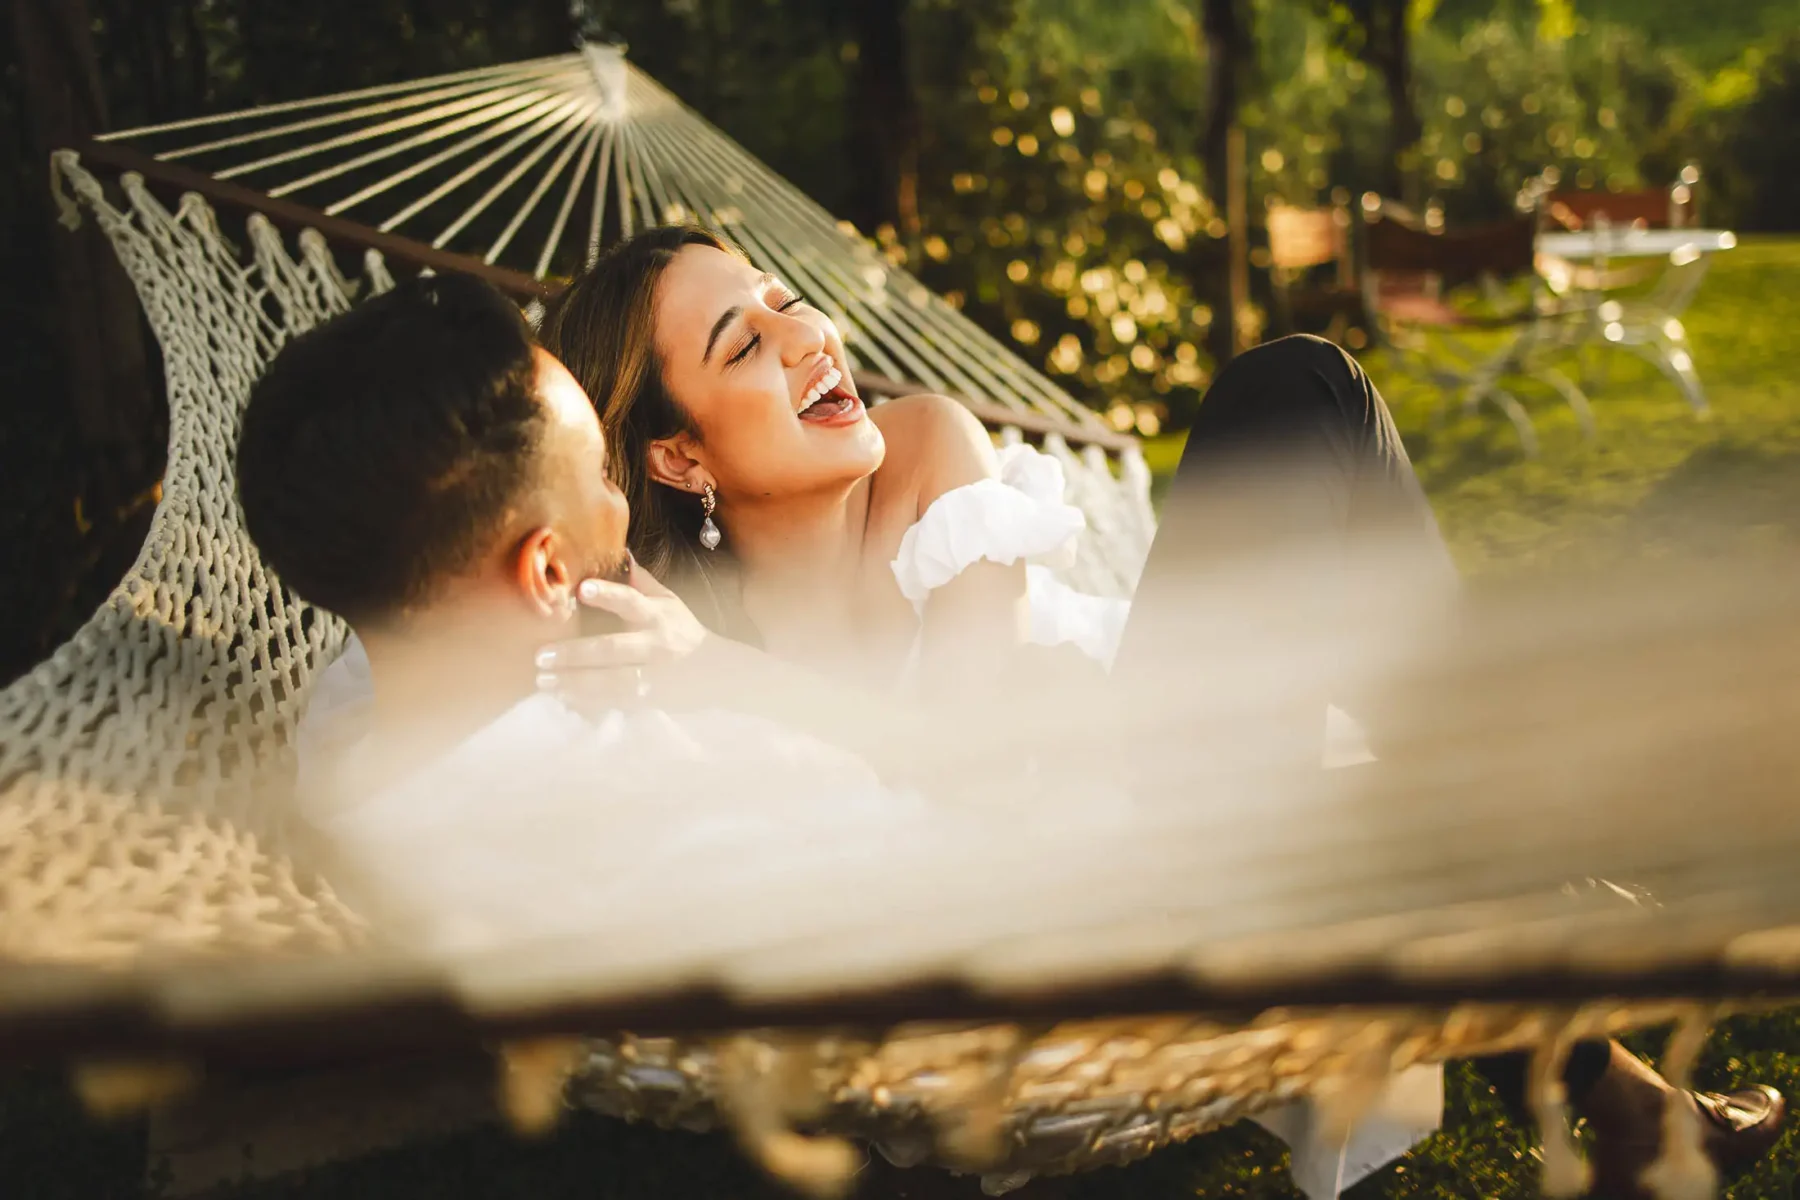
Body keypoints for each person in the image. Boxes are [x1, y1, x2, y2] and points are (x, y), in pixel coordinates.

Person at [530, 226, 1785, 1198]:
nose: (807, 338)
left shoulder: (926, 450)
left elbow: (968, 739)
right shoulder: (666, 633)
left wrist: (723, 668)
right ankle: (1585, 941)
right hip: (1099, 908)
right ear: (677, 459)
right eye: (743, 346)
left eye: (785, 300)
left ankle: (1555, 884)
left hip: (1173, 782)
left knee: (1300, 393)